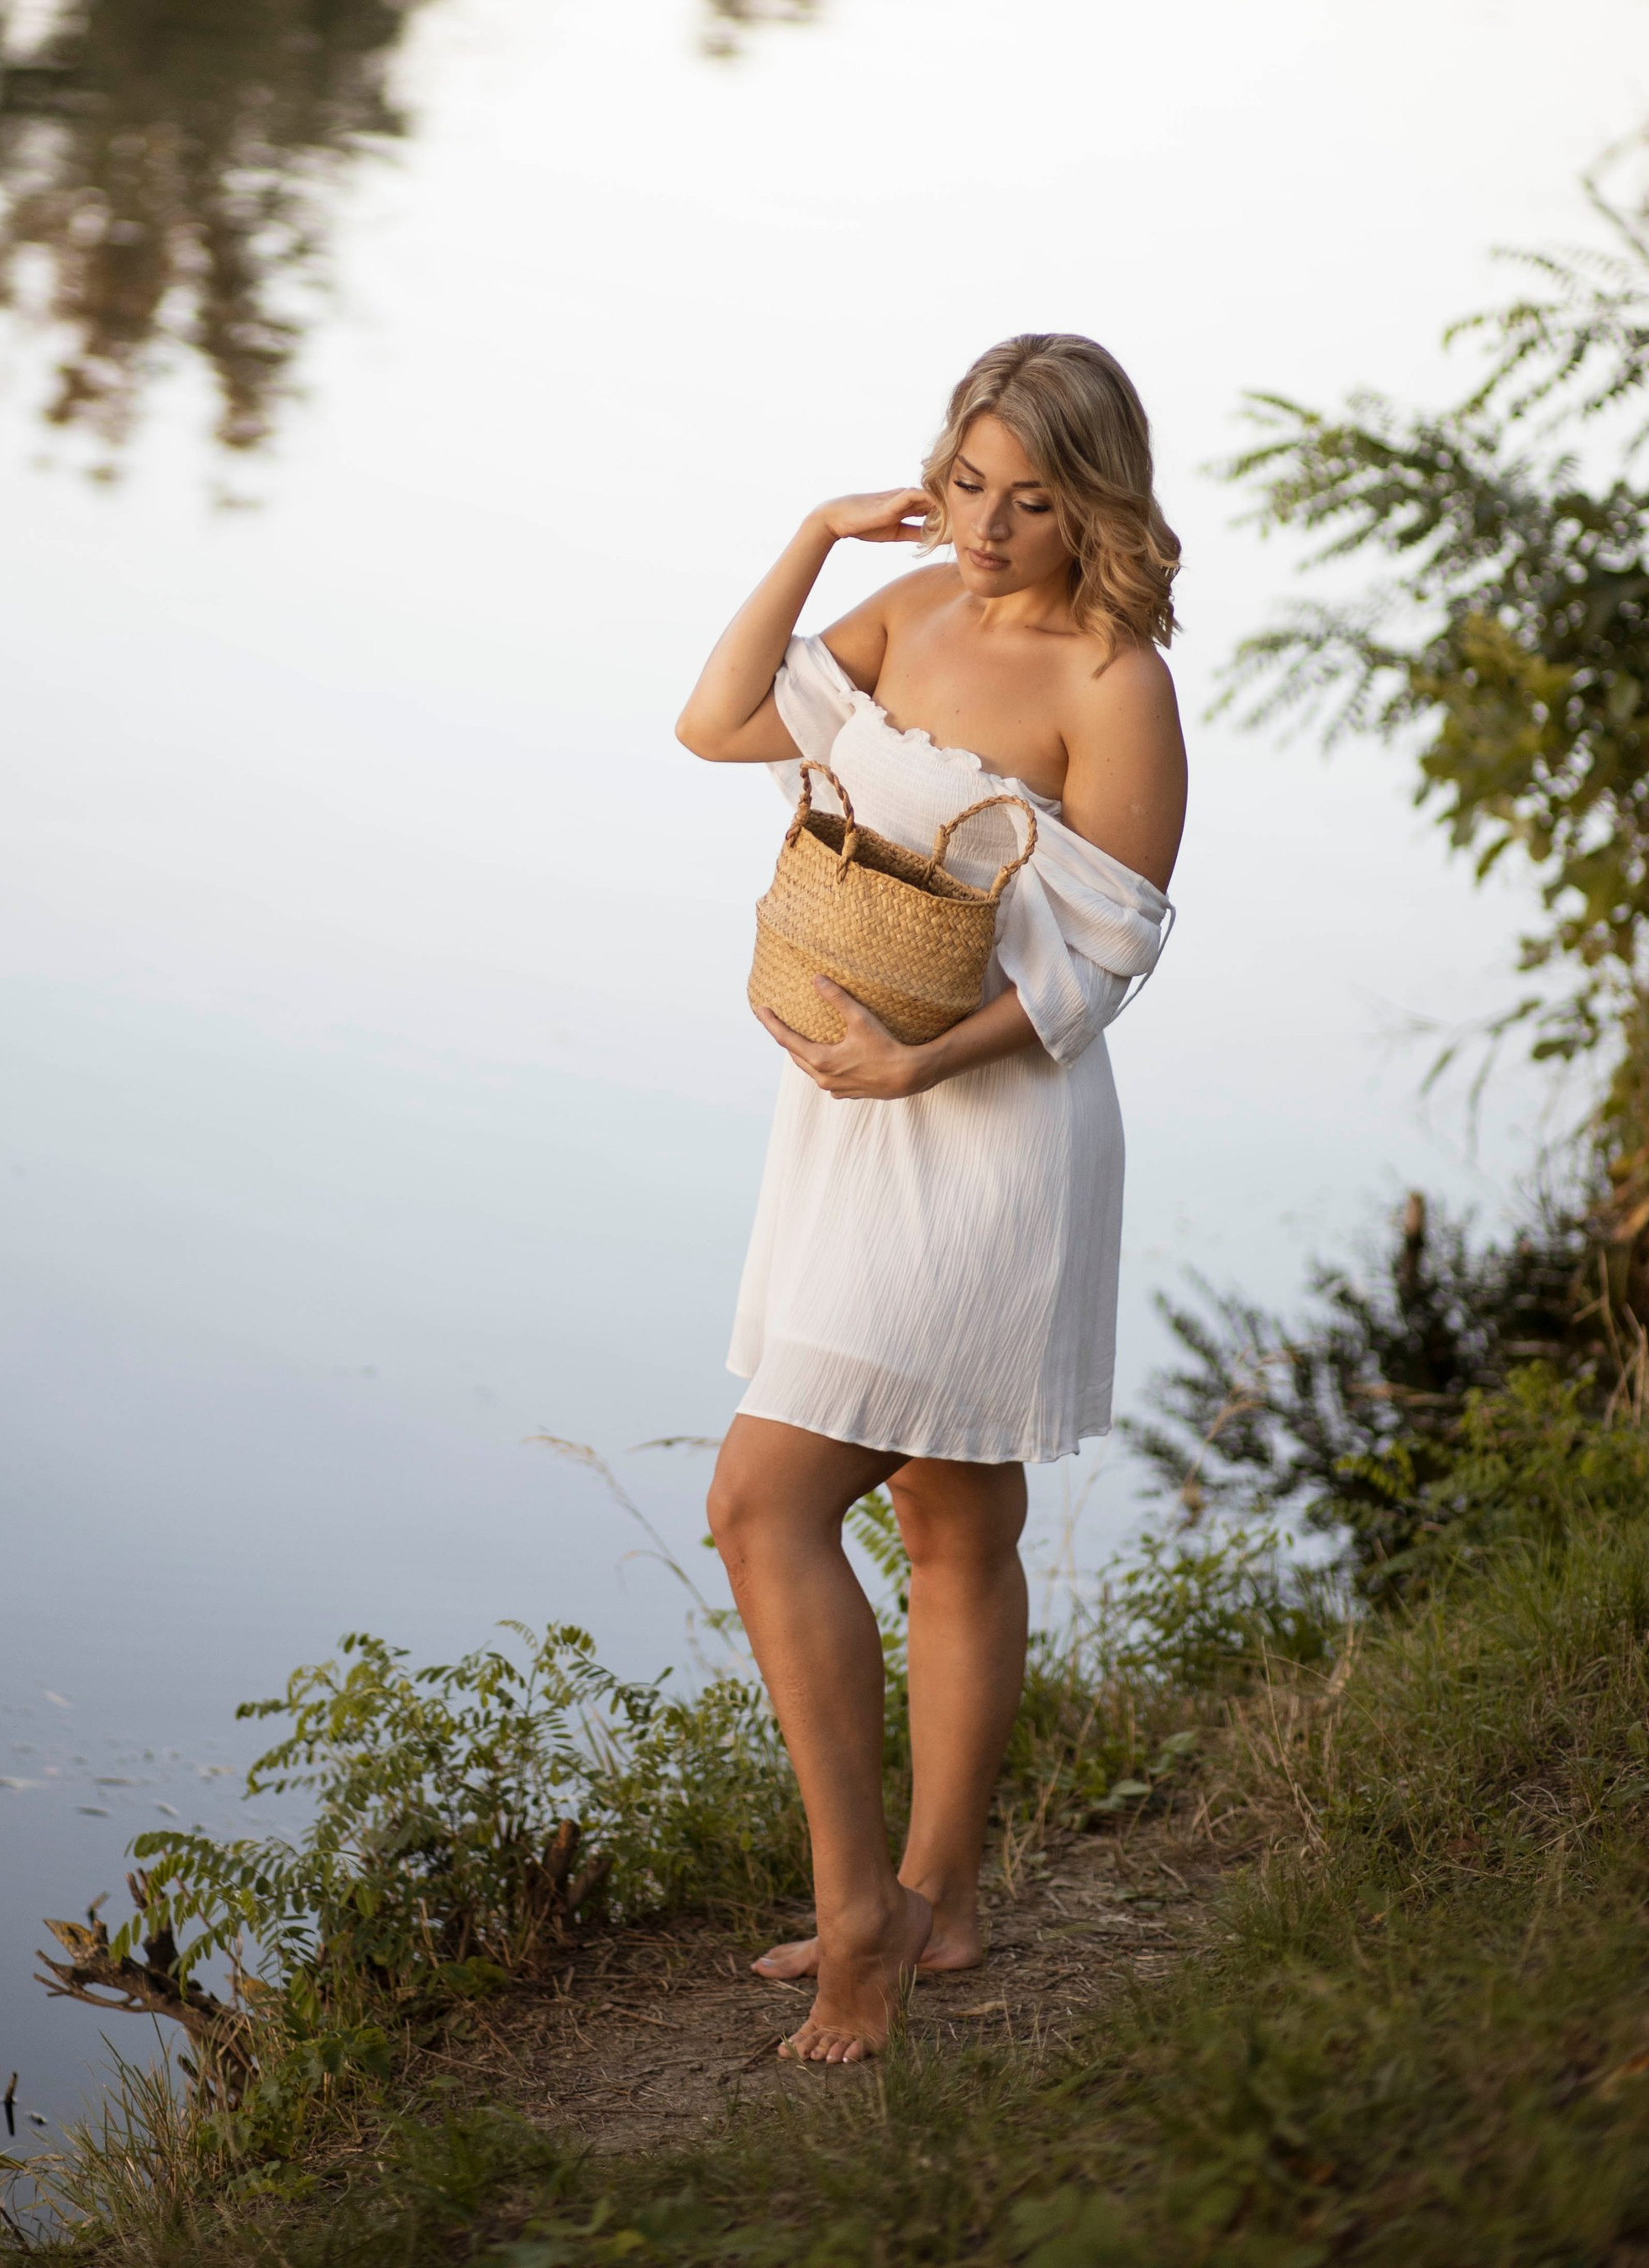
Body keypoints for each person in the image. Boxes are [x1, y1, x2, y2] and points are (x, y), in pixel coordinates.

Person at [675, 333, 1187, 2067]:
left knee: (760, 1504)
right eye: (963, 484)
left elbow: (1109, 952)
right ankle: (943, 1899)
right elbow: (717, 720)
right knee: (946, 1524)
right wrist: (821, 533)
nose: (983, 527)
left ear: (1093, 500)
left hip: (986, 1125)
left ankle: (860, 1926)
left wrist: (921, 1064)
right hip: (848, 1118)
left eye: (1030, 498)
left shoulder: (1110, 679)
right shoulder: (901, 611)